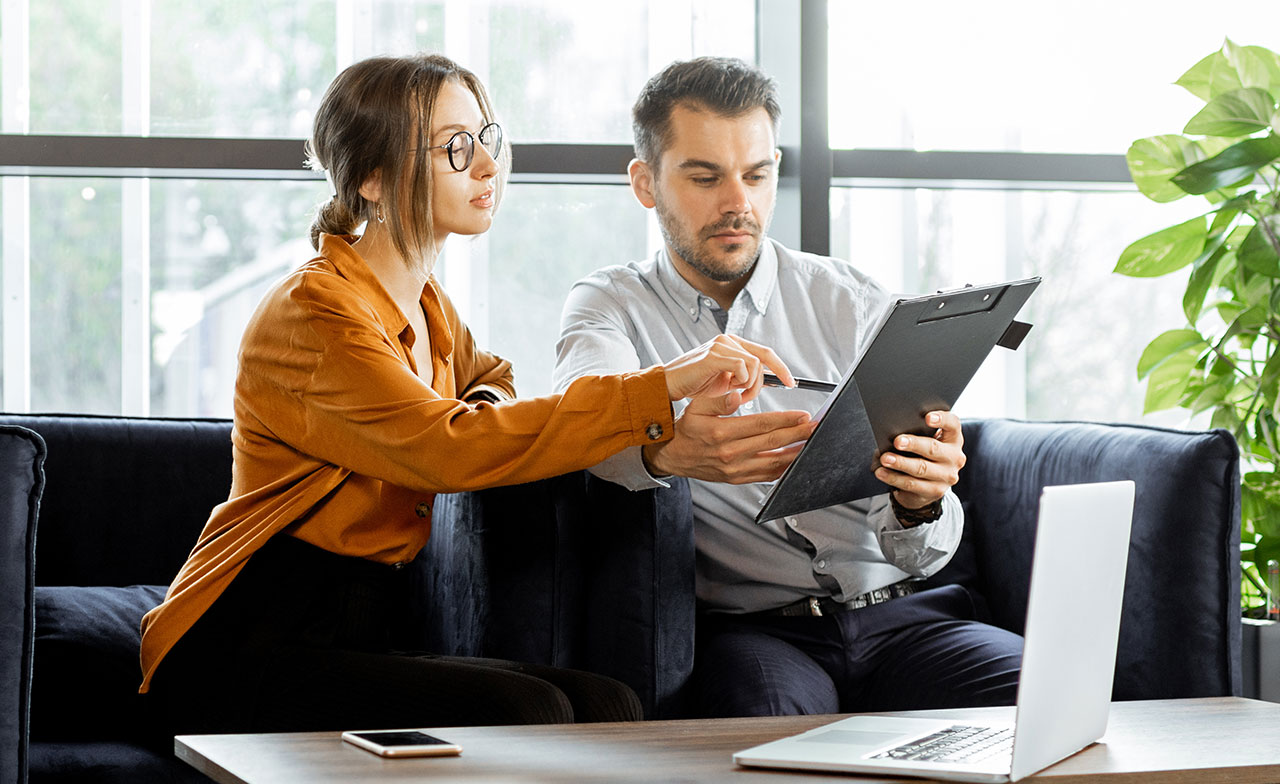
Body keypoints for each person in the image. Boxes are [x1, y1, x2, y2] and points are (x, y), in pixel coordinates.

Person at [138, 52, 796, 736]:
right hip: (247, 642)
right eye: (456, 147)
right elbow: (442, 448)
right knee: (533, 712)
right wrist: (658, 389)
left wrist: (472, 414)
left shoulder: (427, 304)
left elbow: (492, 381)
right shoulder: (315, 312)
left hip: (364, 630)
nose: (487, 166)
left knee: (608, 705)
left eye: (488, 138)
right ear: (370, 177)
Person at [553, 56, 1024, 717]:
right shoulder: (609, 306)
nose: (738, 203)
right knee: (770, 736)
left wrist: (923, 501)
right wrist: (666, 448)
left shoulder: (852, 301)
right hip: (758, 635)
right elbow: (579, 421)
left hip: (909, 618)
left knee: (1052, 703)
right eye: (705, 176)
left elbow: (926, 545)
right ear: (645, 183)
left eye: (757, 174)